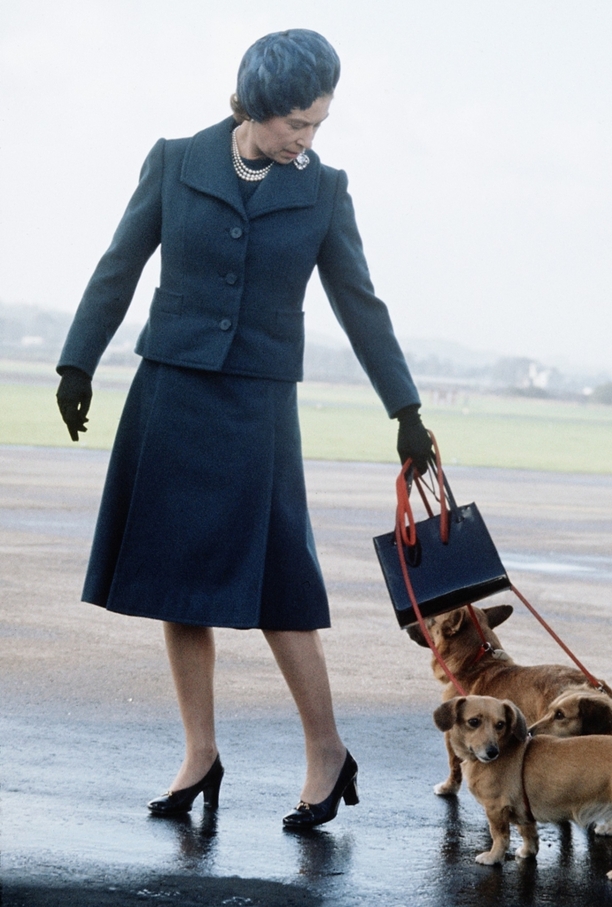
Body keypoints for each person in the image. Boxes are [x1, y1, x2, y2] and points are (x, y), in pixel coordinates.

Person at [55, 28, 433, 829]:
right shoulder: (174, 159)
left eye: (318, 125)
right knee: (174, 582)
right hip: (171, 391)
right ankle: (200, 753)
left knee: (280, 588)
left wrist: (406, 409)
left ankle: (327, 751)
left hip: (259, 406)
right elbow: (118, 264)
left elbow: (360, 303)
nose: (308, 138)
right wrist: (76, 362)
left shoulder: (324, 191)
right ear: (254, 106)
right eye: (297, 123)